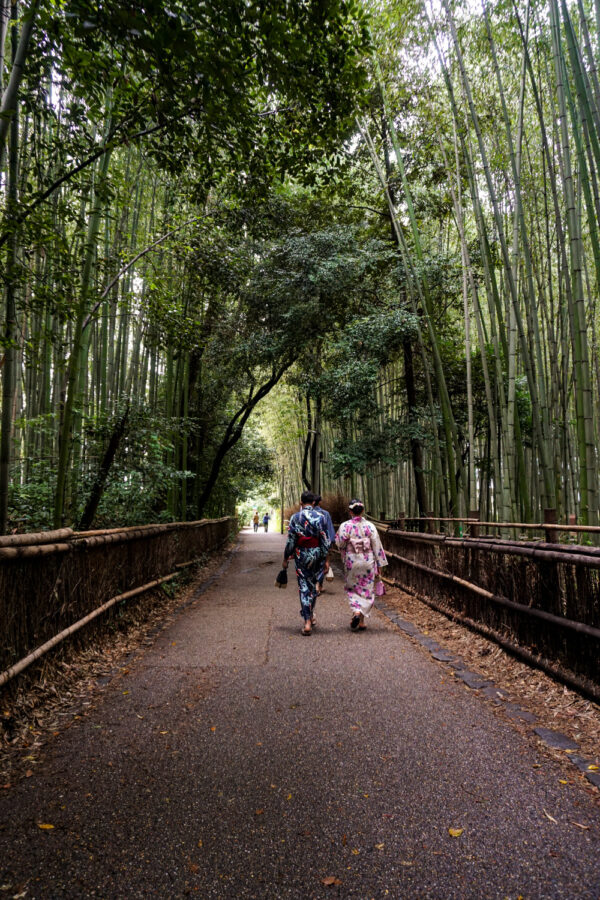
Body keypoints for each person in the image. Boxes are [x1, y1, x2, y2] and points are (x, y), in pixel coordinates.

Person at [282, 491, 330, 635]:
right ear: (314, 502)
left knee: (304, 586)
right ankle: (310, 613)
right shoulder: (321, 517)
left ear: (300, 502)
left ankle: (307, 621)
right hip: (317, 554)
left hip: (301, 554)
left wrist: (286, 557)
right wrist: (326, 559)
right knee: (314, 584)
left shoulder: (295, 518)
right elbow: (325, 540)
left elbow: (291, 540)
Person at [336, 499, 388, 631]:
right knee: (366, 590)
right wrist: (380, 564)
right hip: (367, 561)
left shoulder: (344, 526)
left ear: (350, 511)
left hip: (351, 561)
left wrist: (347, 543)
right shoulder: (370, 526)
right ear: (363, 511)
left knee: (353, 588)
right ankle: (361, 620)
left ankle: (357, 612)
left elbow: (340, 543)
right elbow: (377, 545)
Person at [311, 494, 336, 593]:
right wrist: (331, 542)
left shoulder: (306, 513)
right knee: (322, 564)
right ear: (319, 502)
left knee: (312, 564)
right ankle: (318, 585)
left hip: (310, 543)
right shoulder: (325, 513)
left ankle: (314, 585)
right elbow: (329, 529)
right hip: (322, 542)